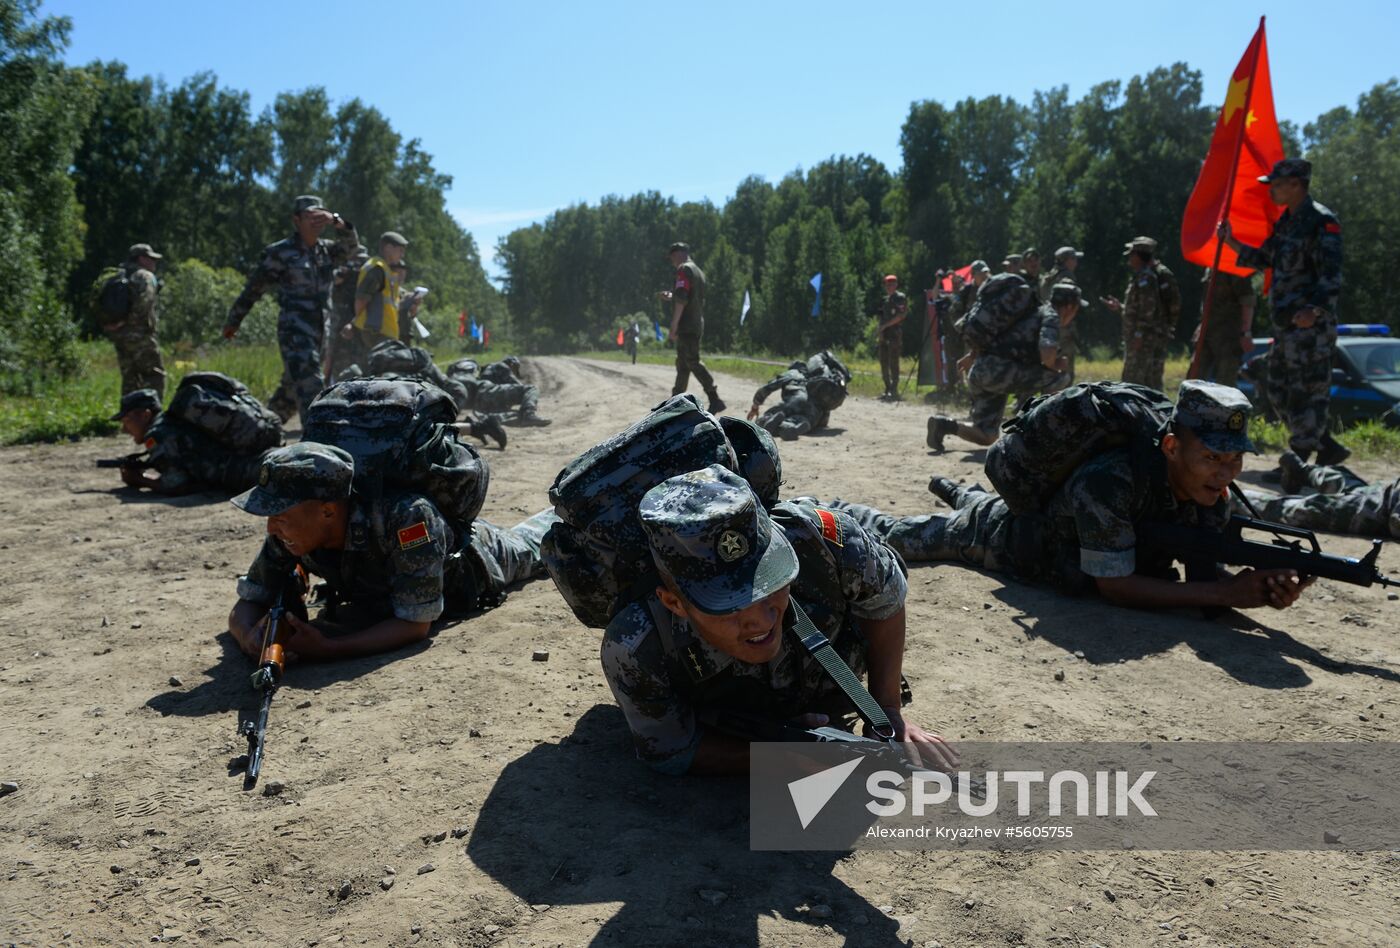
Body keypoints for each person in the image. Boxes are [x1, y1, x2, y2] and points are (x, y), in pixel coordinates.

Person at [599, 465, 957, 775]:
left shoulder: (825, 541)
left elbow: (886, 599)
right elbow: (671, 751)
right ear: (674, 603)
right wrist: (776, 757)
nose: (760, 619)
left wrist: (887, 709)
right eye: (728, 603)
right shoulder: (635, 645)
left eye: (769, 582)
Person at [854, 382, 1312, 611]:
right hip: (1003, 538)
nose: (1225, 472)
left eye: (1235, 460)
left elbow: (1204, 577)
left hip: (1057, 527)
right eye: (1213, 457)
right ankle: (832, 511)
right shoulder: (1111, 481)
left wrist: (1262, 586)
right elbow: (1113, 584)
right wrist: (1226, 593)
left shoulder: (1213, 490)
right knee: (897, 536)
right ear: (1172, 447)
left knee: (968, 497)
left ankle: (956, 489)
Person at [226, 443, 557, 663]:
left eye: (279, 517)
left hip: (479, 559)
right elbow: (249, 599)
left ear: (327, 511)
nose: (270, 528)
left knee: (540, 543)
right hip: (397, 579)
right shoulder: (290, 532)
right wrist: (248, 638)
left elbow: (414, 624)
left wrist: (329, 648)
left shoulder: (408, 518)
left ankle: (568, 506)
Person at [1219, 157, 1347, 466]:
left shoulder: (1321, 221)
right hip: (1286, 324)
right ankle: (1323, 442)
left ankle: (1299, 461)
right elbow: (1265, 258)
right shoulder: (1287, 222)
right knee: (1274, 384)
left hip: (1309, 326)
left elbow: (1332, 274)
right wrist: (1231, 241)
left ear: (1296, 184)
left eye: (1276, 185)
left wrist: (1314, 310)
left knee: (1309, 390)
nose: (1271, 191)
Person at [224, 195, 360, 426]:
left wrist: (337, 220)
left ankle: (261, 431)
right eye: (310, 216)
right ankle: (320, 444)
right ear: (296, 220)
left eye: (320, 215)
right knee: (312, 386)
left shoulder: (326, 251)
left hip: (321, 332)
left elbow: (352, 247)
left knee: (290, 391)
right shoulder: (280, 253)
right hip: (294, 331)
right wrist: (234, 321)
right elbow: (254, 289)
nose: (316, 221)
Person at [925, 281, 1076, 450]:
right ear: (1070, 307)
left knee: (987, 435)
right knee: (1060, 376)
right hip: (999, 373)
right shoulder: (1051, 316)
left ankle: (944, 425)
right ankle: (1046, 435)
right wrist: (1056, 363)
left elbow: (995, 338)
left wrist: (972, 356)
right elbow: (1047, 354)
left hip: (981, 372)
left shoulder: (1027, 312)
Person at [109, 389, 273, 495]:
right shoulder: (172, 421)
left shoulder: (158, 435)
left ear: (145, 415)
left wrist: (140, 480)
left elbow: (177, 484)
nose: (124, 429)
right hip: (251, 460)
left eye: (126, 420)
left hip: (244, 473)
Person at [1237, 451, 1398, 540]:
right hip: (1379, 508)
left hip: (1383, 495)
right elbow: (1395, 522)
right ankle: (1236, 499)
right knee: (1306, 510)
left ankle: (1303, 470)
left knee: (1345, 486)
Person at [1101, 236, 1180, 391]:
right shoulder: (1143, 275)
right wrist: (1120, 308)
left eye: (1131, 254)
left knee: (1135, 381)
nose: (1129, 258)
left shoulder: (1146, 277)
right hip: (1143, 337)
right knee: (1143, 380)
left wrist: (1139, 334)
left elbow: (1148, 311)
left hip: (1144, 339)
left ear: (1138, 256)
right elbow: (1140, 309)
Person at [661, 242, 724, 413]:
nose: (672, 262)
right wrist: (672, 296)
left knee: (692, 361)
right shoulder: (698, 271)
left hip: (687, 325)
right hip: (695, 323)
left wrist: (673, 326)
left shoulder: (684, 269)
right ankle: (675, 402)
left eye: (672, 257)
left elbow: (683, 300)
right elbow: (687, 295)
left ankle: (714, 397)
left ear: (678, 254)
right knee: (683, 364)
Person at [101, 243, 167, 399]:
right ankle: (153, 417)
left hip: (119, 335)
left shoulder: (117, 275)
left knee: (130, 378)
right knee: (154, 376)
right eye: (151, 259)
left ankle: (129, 418)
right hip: (139, 334)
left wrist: (117, 324)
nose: (154, 263)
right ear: (141, 259)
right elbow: (144, 303)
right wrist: (129, 322)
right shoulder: (144, 276)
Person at [745, 351, 849, 441]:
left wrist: (755, 406)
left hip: (795, 400)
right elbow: (825, 411)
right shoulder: (816, 380)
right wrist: (820, 421)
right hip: (813, 409)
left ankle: (774, 421)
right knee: (803, 420)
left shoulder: (792, 373)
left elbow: (767, 388)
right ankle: (796, 426)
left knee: (763, 420)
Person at [352, 232, 421, 351]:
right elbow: (361, 301)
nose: (402, 255)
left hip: (385, 332)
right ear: (388, 248)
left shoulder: (386, 270)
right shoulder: (377, 268)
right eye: (400, 250)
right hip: (376, 332)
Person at [1190, 269, 1256, 387]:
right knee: (1193, 380)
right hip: (1206, 333)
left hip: (1228, 337)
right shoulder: (1210, 267)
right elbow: (1206, 301)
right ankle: (1190, 405)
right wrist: (1202, 325)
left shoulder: (1235, 268)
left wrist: (1246, 333)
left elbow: (1247, 301)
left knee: (1225, 385)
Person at [324, 244, 371, 381]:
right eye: (355, 261)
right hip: (338, 322)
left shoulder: (367, 278)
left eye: (361, 262)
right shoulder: (340, 272)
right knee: (333, 358)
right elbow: (331, 282)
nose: (357, 266)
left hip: (358, 324)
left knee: (358, 362)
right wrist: (344, 274)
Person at [875, 274, 908, 400]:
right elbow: (881, 317)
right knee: (883, 361)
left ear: (896, 285)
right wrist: (880, 331)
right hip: (884, 334)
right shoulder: (884, 300)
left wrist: (885, 326)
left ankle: (894, 391)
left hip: (894, 333)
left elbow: (901, 316)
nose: (888, 287)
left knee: (893, 362)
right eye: (887, 285)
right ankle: (887, 388)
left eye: (891, 284)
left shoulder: (900, 298)